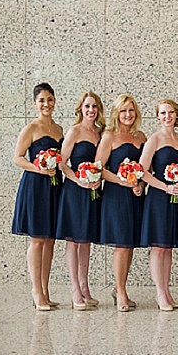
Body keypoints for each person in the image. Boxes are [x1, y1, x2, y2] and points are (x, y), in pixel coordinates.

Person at [12, 83, 64, 311]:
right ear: (35, 103)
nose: (46, 104)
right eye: (42, 100)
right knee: (38, 239)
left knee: (50, 238)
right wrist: (39, 168)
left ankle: (45, 289)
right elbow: (18, 158)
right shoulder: (31, 128)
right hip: (35, 185)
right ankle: (36, 290)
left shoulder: (60, 129)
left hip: (54, 186)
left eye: (50, 99)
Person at [96, 94, 147, 312]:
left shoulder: (141, 136)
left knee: (130, 244)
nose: (128, 115)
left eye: (131, 110)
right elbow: (99, 168)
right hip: (116, 195)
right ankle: (121, 292)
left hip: (136, 195)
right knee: (122, 244)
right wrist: (124, 182)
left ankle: (120, 288)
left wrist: (140, 184)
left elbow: (147, 169)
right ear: (117, 113)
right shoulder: (109, 136)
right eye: (124, 110)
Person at [56, 91, 106, 310]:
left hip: (93, 190)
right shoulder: (75, 131)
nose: (91, 110)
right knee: (73, 240)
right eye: (87, 106)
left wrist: (96, 180)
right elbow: (62, 163)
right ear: (80, 109)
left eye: (94, 106)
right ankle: (75, 289)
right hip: (75, 191)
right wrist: (79, 181)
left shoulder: (100, 133)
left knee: (85, 240)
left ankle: (85, 288)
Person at [139, 99, 178, 311]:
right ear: (158, 116)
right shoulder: (154, 140)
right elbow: (142, 171)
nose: (167, 116)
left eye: (171, 112)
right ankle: (160, 293)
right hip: (159, 197)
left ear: (177, 115)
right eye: (163, 113)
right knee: (158, 246)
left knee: (168, 247)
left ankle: (167, 291)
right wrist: (166, 187)